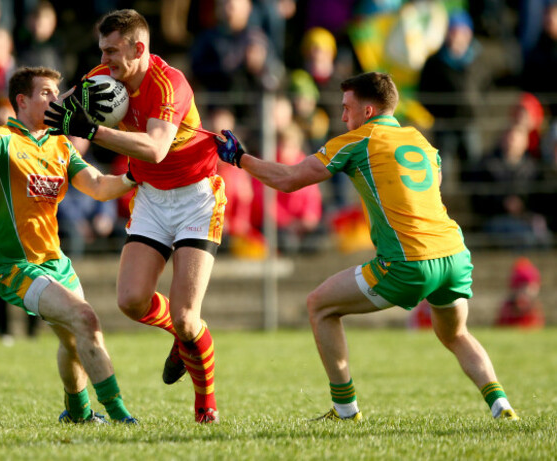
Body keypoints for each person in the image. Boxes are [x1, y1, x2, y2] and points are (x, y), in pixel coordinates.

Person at [215, 71, 519, 421]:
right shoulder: (420, 140)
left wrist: (240, 159)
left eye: (347, 108)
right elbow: (431, 184)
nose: (343, 116)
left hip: (409, 261)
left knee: (320, 306)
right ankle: (501, 406)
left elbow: (288, 179)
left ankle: (345, 411)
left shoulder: (356, 141)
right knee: (456, 334)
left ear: (369, 111)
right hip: (453, 254)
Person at [44, 9, 226, 424]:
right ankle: (184, 337)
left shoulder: (170, 83)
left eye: (112, 51)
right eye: (102, 51)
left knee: (185, 317)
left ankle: (205, 405)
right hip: (150, 196)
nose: (105, 60)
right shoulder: (102, 78)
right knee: (130, 301)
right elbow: (63, 108)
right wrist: (43, 126)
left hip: (197, 198)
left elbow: (157, 148)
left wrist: (92, 131)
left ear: (139, 48)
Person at [0, 66, 137, 425]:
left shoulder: (60, 143)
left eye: (57, 92)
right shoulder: (2, 138)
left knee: (75, 340)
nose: (56, 99)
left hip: (56, 263)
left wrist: (135, 177)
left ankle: (79, 414)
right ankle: (121, 418)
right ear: (22, 101)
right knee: (85, 318)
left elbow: (98, 186)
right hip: (15, 267)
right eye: (47, 94)